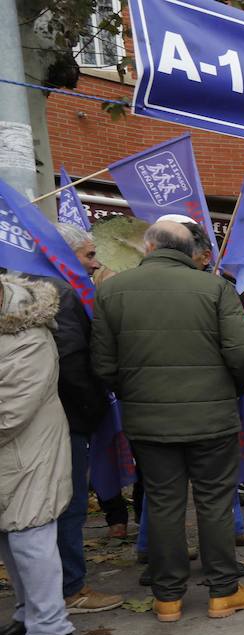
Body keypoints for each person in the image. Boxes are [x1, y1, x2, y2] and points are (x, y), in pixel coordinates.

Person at [90, 220, 244, 623]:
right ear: (190, 251)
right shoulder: (215, 289)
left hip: (147, 420)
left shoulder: (111, 291)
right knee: (214, 501)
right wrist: (227, 390)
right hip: (212, 418)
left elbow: (103, 365)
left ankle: (167, 597)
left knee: (163, 502)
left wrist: (137, 392)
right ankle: (223, 591)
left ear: (148, 247)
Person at [0, 273, 77, 635]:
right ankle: (28, 613)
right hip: (11, 456)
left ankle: (51, 629)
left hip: (30, 453)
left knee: (30, 537)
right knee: (10, 537)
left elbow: (11, 409)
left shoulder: (25, 334)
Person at [51, 223, 123, 613]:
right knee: (69, 503)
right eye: (89, 255)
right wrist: (94, 409)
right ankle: (70, 588)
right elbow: (71, 361)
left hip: (55, 417)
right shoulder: (62, 295)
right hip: (66, 420)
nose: (96, 264)